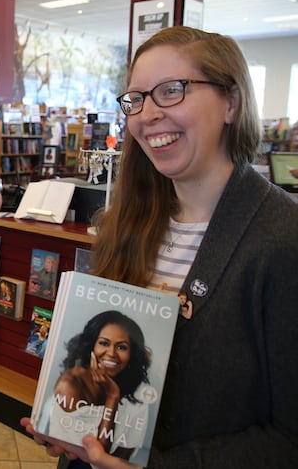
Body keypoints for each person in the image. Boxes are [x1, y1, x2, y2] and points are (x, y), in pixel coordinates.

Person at [22, 26, 298, 468]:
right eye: (136, 98)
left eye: (171, 91)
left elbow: (289, 439)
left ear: (232, 101)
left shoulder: (283, 239)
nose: (147, 114)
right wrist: (69, 431)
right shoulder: (123, 222)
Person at [43, 311, 151, 462]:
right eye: (104, 343)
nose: (112, 353)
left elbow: (120, 458)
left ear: (132, 353)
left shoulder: (139, 395)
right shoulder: (71, 384)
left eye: (121, 347)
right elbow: (99, 453)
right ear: (91, 346)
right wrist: (112, 396)